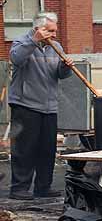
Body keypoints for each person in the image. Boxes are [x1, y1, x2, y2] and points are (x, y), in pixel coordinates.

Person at [7, 12, 72, 199]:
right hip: (25, 105)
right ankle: (19, 188)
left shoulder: (56, 47)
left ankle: (43, 187)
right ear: (38, 29)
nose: (54, 35)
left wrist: (65, 67)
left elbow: (59, 75)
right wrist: (33, 41)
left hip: (49, 106)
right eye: (50, 31)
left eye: (55, 31)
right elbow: (16, 59)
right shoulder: (21, 42)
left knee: (47, 150)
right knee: (24, 149)